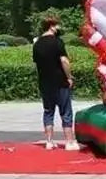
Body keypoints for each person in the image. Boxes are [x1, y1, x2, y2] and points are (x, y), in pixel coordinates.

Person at [32, 16, 80, 151]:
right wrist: (69, 77)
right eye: (57, 25)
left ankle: (49, 141)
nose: (59, 28)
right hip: (60, 82)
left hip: (44, 82)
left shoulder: (37, 44)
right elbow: (64, 61)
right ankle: (69, 142)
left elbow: (37, 64)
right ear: (51, 26)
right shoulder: (57, 42)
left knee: (48, 111)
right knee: (65, 111)